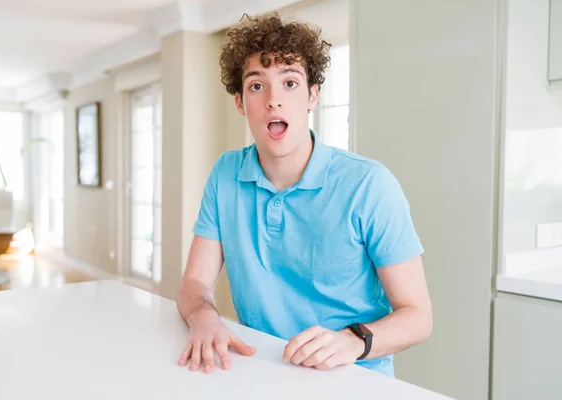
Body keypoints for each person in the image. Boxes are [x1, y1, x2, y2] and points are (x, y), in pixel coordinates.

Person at [176, 12, 432, 377]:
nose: (274, 100)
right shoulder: (225, 175)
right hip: (263, 371)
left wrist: (353, 340)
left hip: (353, 380)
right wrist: (203, 317)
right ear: (240, 103)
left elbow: (419, 316)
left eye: (290, 83)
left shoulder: (369, 184)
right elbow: (195, 284)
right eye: (256, 85)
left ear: (313, 95)